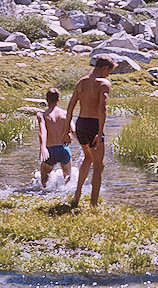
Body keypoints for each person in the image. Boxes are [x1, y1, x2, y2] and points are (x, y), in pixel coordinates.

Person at [64, 55, 117, 207]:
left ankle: (77, 195)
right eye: (109, 71)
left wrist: (66, 130)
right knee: (99, 165)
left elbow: (70, 107)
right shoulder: (104, 83)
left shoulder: (81, 82)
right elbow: (103, 108)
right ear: (104, 68)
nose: (108, 75)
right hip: (94, 125)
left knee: (88, 157)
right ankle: (93, 204)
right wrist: (100, 133)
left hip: (81, 123)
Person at [37, 88, 75, 188]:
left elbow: (42, 132)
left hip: (50, 151)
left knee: (44, 181)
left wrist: (43, 147)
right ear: (58, 100)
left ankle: (46, 197)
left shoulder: (42, 115)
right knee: (68, 180)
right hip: (64, 149)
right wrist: (86, 148)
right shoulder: (65, 113)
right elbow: (74, 131)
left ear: (46, 100)